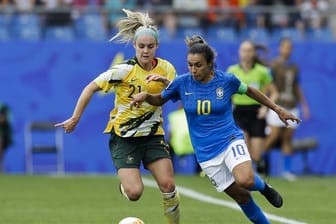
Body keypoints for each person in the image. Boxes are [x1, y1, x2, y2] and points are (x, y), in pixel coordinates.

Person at [131, 35, 301, 224]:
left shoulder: (226, 80)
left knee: (246, 180)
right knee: (242, 197)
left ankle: (263, 187)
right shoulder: (182, 82)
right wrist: (146, 95)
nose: (193, 70)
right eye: (190, 65)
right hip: (206, 154)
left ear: (210, 64)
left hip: (229, 139)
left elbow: (252, 91)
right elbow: (159, 99)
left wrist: (277, 109)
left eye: (198, 65)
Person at [55, 9, 180, 224]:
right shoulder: (123, 70)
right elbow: (90, 88)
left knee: (168, 186)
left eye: (150, 46)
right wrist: (75, 118)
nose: (146, 51)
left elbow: (176, 95)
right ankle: (125, 186)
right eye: (141, 46)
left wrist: (165, 84)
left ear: (157, 47)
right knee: (135, 193)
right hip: (124, 138)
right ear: (134, 46)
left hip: (152, 136)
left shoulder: (167, 69)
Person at [227, 40, 278, 174]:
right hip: (239, 111)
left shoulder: (262, 72)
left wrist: (265, 108)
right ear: (239, 52)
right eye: (244, 50)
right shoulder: (232, 71)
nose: (246, 53)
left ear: (254, 53)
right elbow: (227, 93)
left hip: (256, 113)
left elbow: (274, 93)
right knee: (244, 149)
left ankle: (258, 172)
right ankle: (246, 176)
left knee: (256, 154)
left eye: (249, 50)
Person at [264, 37, 310, 181]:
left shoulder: (294, 66)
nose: (287, 50)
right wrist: (264, 104)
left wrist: (304, 105)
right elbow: (267, 85)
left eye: (289, 47)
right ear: (280, 48)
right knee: (273, 136)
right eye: (285, 47)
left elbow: (296, 87)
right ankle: (259, 164)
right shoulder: (274, 65)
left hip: (292, 106)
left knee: (287, 138)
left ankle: (286, 170)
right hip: (277, 106)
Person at [0, 103, 13, 173]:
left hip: (4, 134)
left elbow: (8, 118)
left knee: (1, 152)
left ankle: (1, 169)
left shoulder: (4, 107)